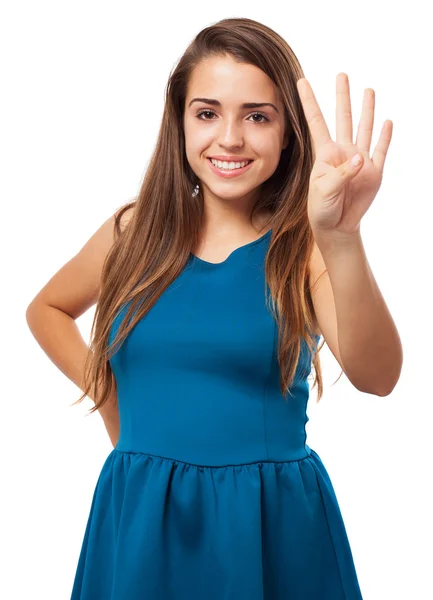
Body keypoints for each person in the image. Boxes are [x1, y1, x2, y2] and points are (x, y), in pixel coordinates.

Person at [25, 17, 402, 600]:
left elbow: (378, 377)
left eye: (257, 115)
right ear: (179, 122)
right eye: (207, 113)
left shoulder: (305, 248)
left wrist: (343, 237)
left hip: (269, 524)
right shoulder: (133, 233)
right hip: (140, 512)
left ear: (289, 134)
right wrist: (109, 398)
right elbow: (47, 308)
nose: (229, 137)